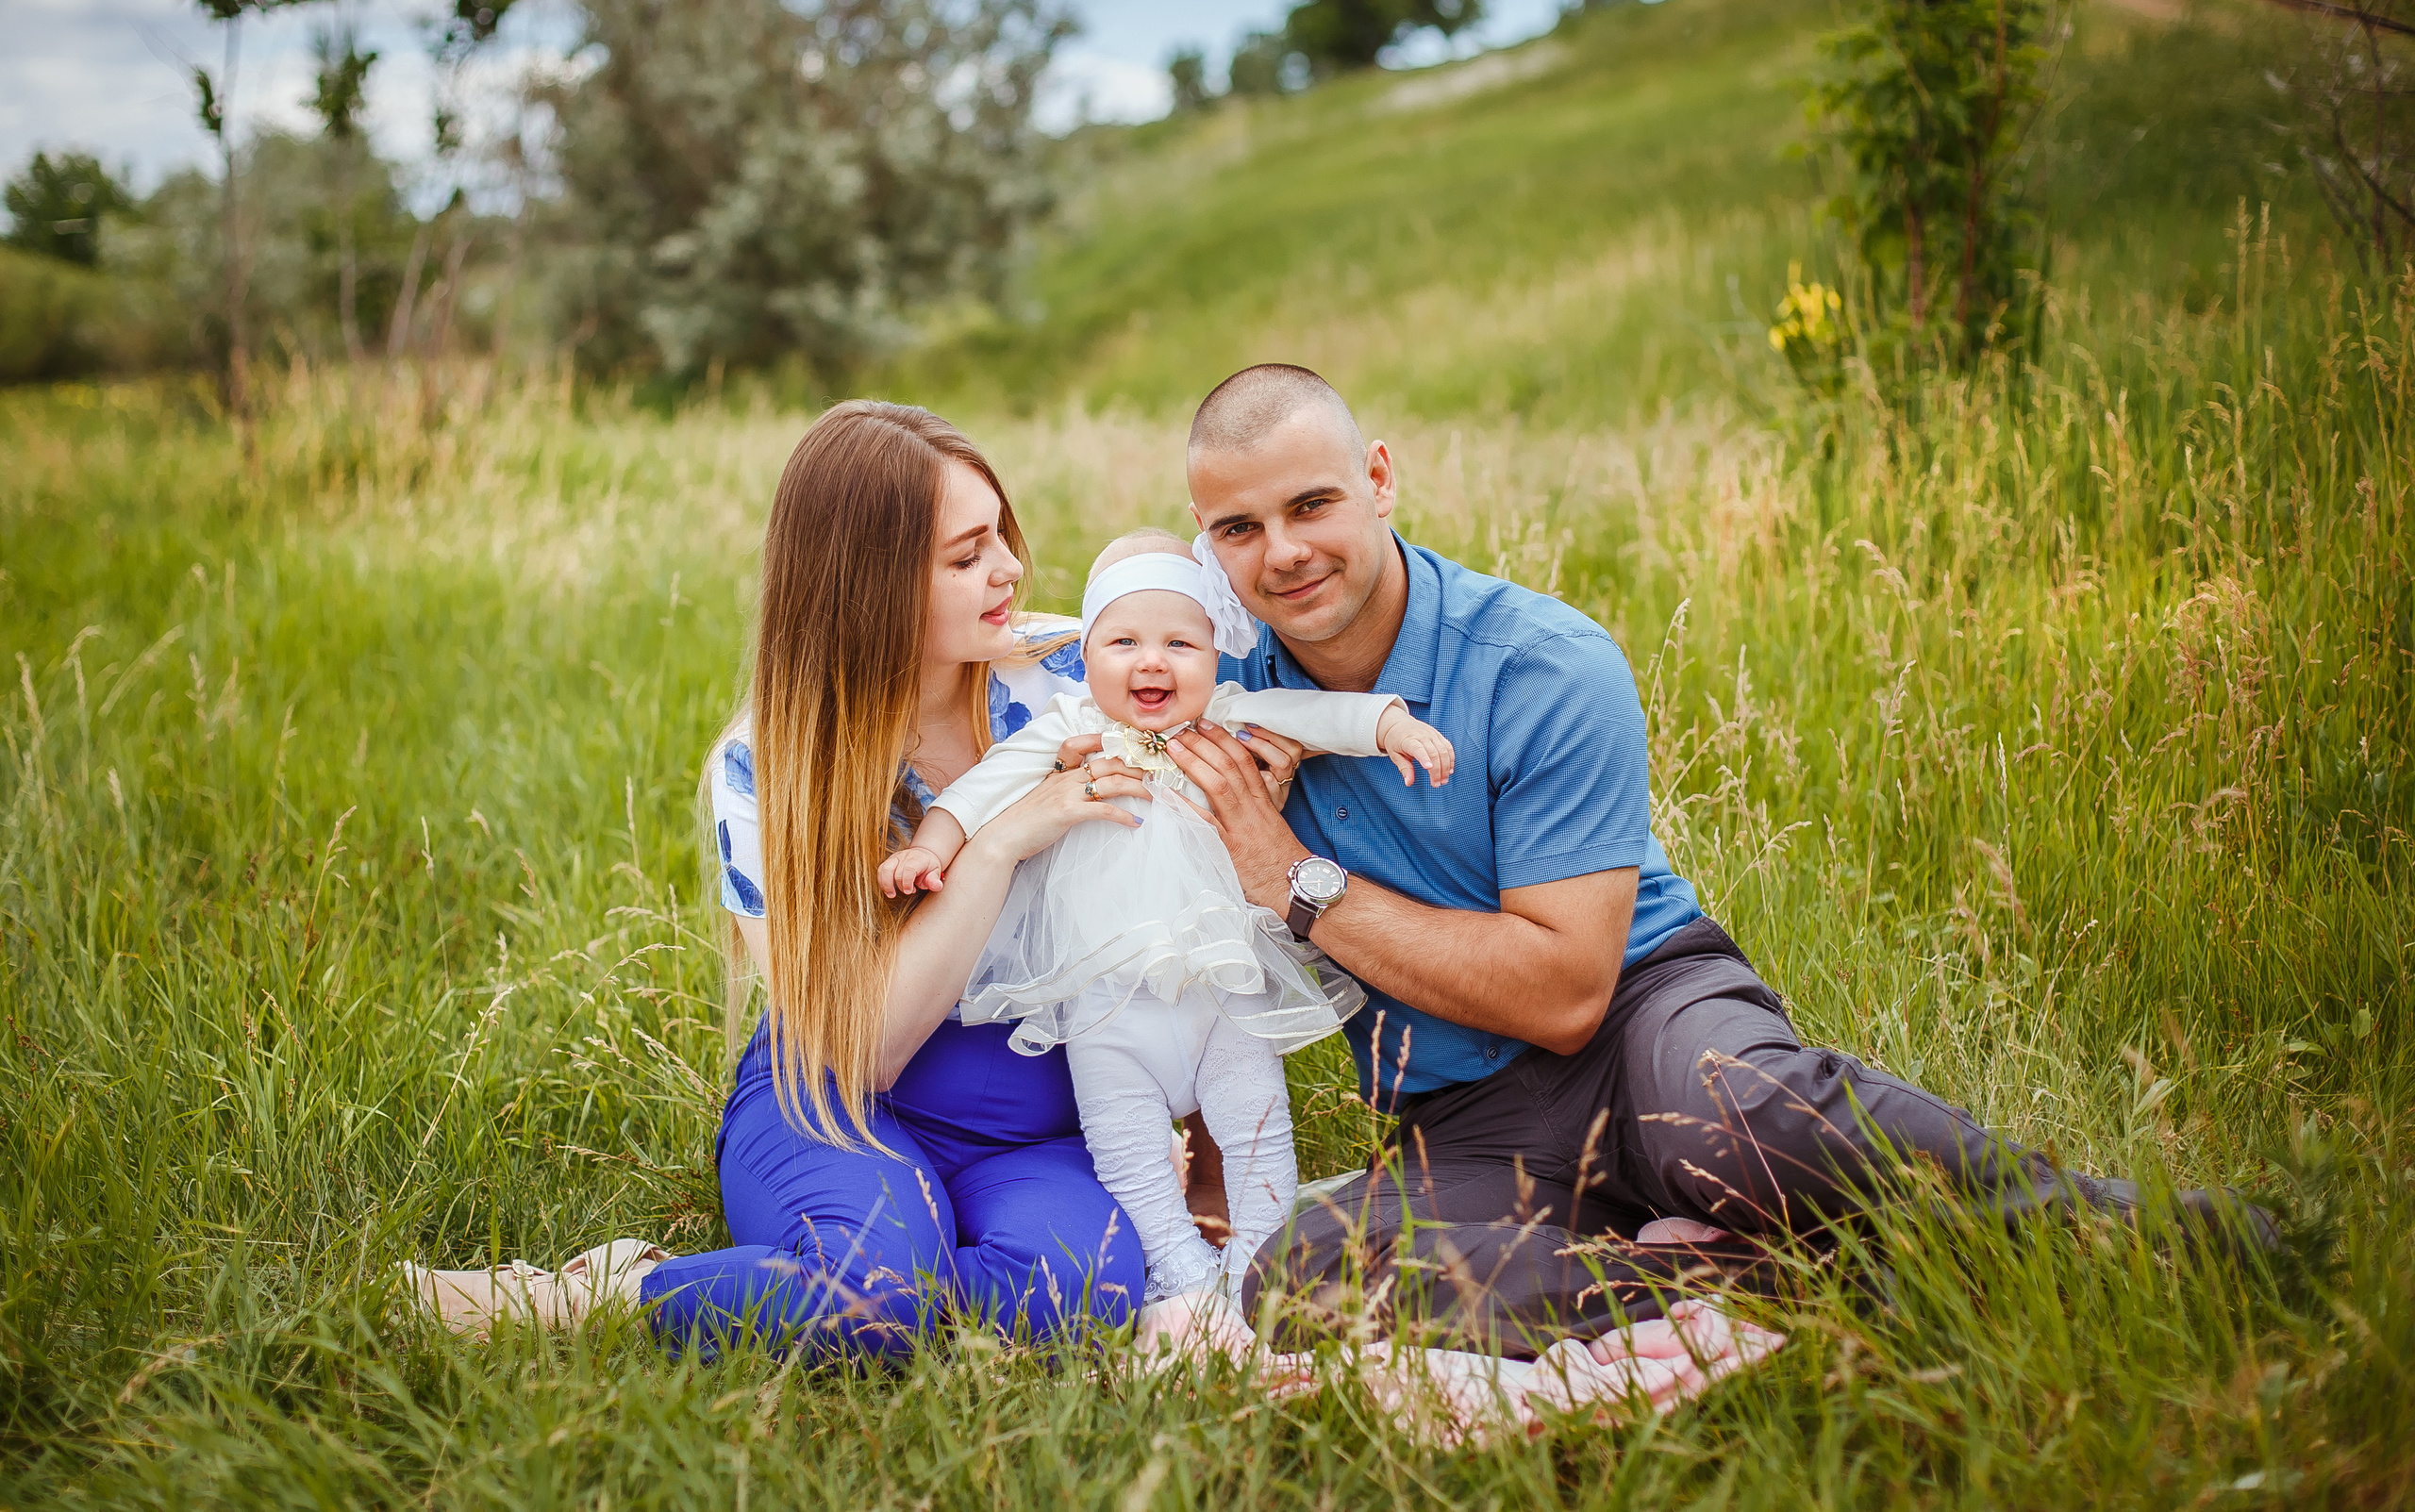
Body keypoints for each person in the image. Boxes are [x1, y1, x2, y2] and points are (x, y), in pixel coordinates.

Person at [1153, 364, 2279, 1358]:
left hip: (1641, 1018)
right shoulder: (1221, 697)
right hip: (1467, 1117)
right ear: (1206, 543)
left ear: (1380, 478)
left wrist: (1291, 874)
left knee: (1736, 1113)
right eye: (1238, 529)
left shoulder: (1540, 661)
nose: (1283, 554)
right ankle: (1760, 1279)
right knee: (1307, 1279)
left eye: (1312, 504)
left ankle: (2128, 1231)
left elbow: (1564, 992)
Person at [405, 401, 1175, 1357]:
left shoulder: (1077, 681)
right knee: (880, 1298)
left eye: (1002, 537)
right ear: (875, 586)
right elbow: (865, 1053)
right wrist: (995, 842)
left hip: (1032, 1123)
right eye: (967, 555)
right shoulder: (770, 769)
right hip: (837, 1099)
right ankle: (596, 1299)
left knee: (1075, 1294)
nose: (1010, 569)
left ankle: (833, 1292)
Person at [879, 527, 1453, 1305]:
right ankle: (1176, 1263)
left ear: (1216, 656)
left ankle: (1259, 1259)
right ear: (1087, 658)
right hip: (1106, 998)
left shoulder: (1227, 715)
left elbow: (1318, 715)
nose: (1152, 661)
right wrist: (931, 847)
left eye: (1181, 642)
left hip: (1222, 985)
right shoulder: (1068, 729)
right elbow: (980, 789)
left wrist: (1390, 726)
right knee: (1124, 1142)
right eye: (1123, 640)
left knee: (1257, 1121)